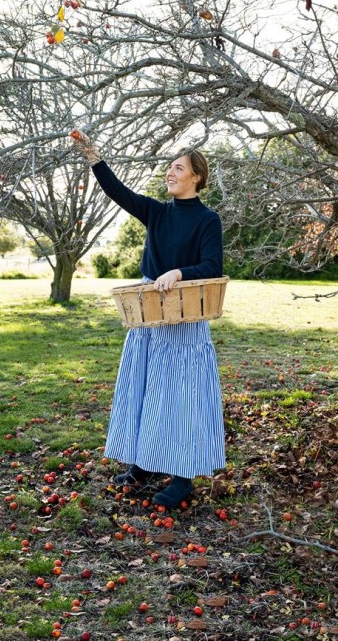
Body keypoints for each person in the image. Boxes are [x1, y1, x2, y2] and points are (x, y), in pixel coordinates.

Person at [72, 131, 226, 508]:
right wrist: (94, 156)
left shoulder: (208, 220)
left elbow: (212, 266)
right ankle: (142, 464)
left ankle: (183, 477)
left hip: (184, 319)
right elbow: (118, 191)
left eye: (178, 168)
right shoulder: (157, 212)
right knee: (143, 390)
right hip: (147, 315)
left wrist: (179, 273)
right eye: (170, 168)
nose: (170, 173)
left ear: (196, 178)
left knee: (180, 398)